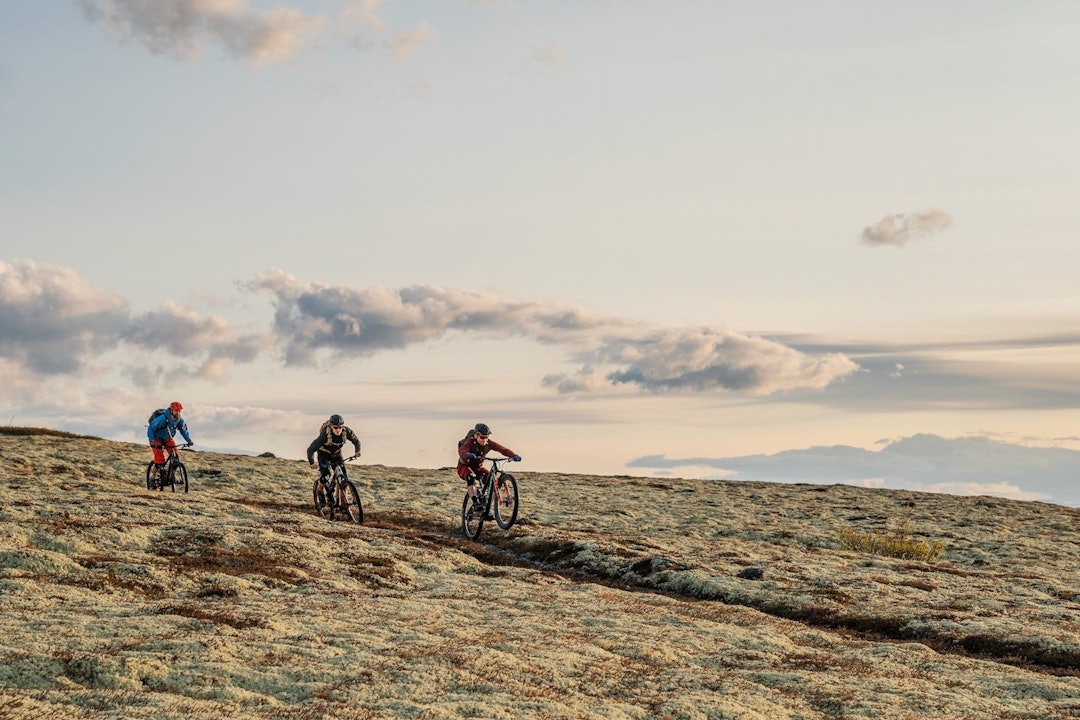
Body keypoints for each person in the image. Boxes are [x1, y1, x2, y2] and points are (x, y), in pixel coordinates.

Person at [457, 422, 520, 518]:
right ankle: (475, 503)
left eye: (487, 437)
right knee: (471, 476)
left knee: (494, 484)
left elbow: (502, 449)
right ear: (476, 435)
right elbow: (462, 450)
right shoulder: (470, 441)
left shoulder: (488, 443)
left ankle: (486, 509)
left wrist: (513, 455)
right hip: (464, 467)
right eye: (482, 437)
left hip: (478, 468)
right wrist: (468, 455)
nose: (485, 440)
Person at [307, 414, 362, 500]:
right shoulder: (324, 435)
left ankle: (344, 503)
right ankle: (320, 489)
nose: (338, 430)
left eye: (340, 427)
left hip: (337, 454)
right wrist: (312, 463)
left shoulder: (346, 432)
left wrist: (357, 451)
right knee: (326, 475)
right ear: (331, 426)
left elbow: (356, 441)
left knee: (344, 478)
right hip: (324, 455)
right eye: (335, 427)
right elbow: (310, 450)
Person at [148, 401, 193, 486]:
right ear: (172, 410)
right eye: (176, 410)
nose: (178, 412)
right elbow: (151, 428)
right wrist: (151, 441)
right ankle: (152, 477)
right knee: (159, 461)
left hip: (168, 438)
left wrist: (189, 440)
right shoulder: (162, 418)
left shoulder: (180, 420)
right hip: (156, 438)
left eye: (180, 411)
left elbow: (184, 431)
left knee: (175, 456)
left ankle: (171, 476)